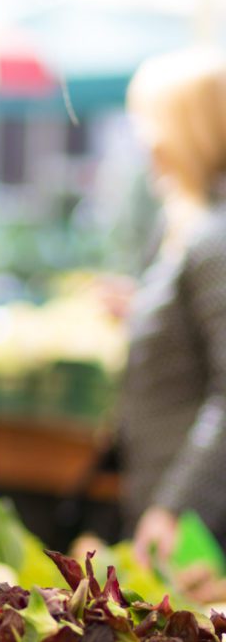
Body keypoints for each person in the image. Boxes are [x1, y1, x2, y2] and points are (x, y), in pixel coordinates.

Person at [123, 47, 226, 600]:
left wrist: (177, 505)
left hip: (200, 528)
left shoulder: (215, 239)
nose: (143, 141)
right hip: (184, 512)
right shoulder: (191, 226)